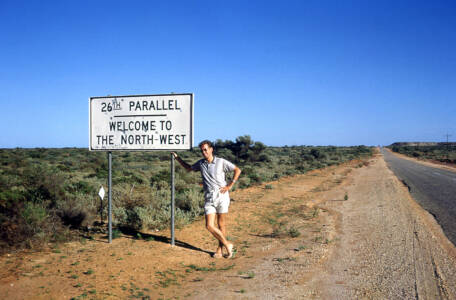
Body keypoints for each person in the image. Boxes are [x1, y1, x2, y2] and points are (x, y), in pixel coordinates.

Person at [172, 140, 241, 258]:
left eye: (206, 149)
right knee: (209, 226)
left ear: (211, 149)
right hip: (209, 197)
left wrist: (230, 185)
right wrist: (177, 158)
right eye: (202, 150)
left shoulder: (221, 162)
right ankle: (227, 245)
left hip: (222, 195)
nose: (204, 152)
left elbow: (237, 170)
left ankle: (220, 250)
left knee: (221, 224)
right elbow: (189, 168)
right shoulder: (201, 163)